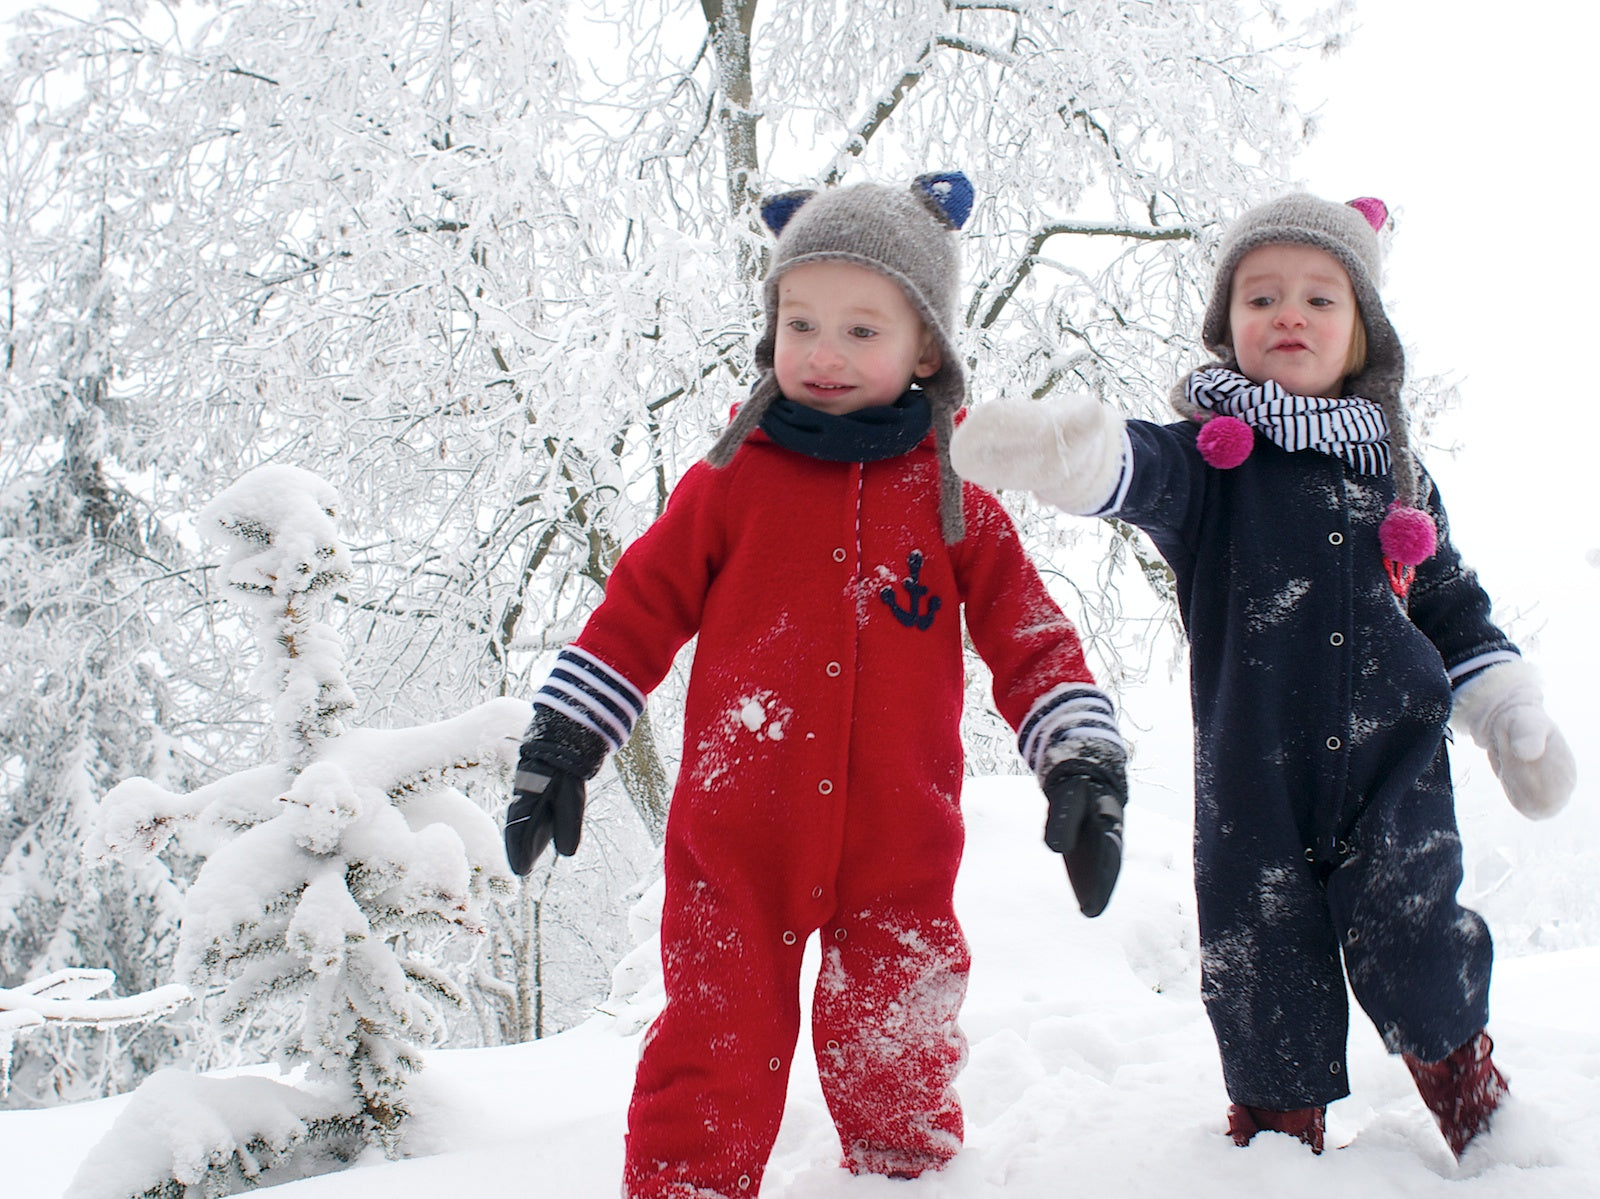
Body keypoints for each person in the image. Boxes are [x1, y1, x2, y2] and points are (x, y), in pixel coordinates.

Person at [504, 172, 1129, 1197]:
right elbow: (638, 608)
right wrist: (562, 741)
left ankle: (903, 1186)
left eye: (859, 328)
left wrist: (1081, 758)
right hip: (735, 840)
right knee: (711, 1039)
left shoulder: (953, 491)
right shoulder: (731, 480)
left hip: (899, 843)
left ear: (923, 347)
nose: (823, 352)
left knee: (898, 1047)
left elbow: (1028, 633)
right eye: (800, 322)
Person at [949, 194, 1576, 1158]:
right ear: (1228, 327)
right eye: (1262, 296)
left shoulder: (1399, 479)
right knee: (1260, 961)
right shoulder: (1212, 464)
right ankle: (1278, 1142)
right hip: (1256, 775)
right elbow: (1138, 467)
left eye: (1320, 299)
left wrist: (1506, 709)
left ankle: (1472, 1096)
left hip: (1394, 766)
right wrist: (1071, 450)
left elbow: (1451, 603)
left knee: (1415, 931)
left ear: (1362, 333)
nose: (1289, 314)